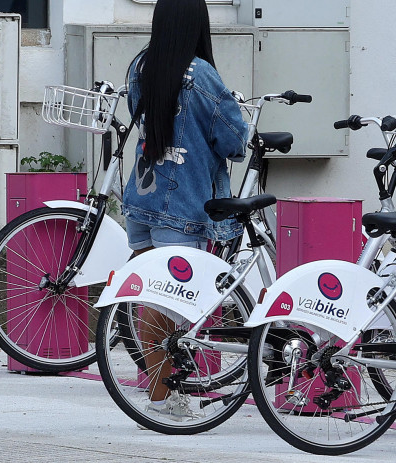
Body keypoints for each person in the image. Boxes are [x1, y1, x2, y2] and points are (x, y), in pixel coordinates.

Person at [122, 0, 249, 420]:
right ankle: (165, 398)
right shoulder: (201, 75)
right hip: (183, 207)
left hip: (142, 198)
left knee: (150, 302)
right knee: (168, 307)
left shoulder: (141, 66)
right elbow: (233, 140)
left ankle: (160, 392)